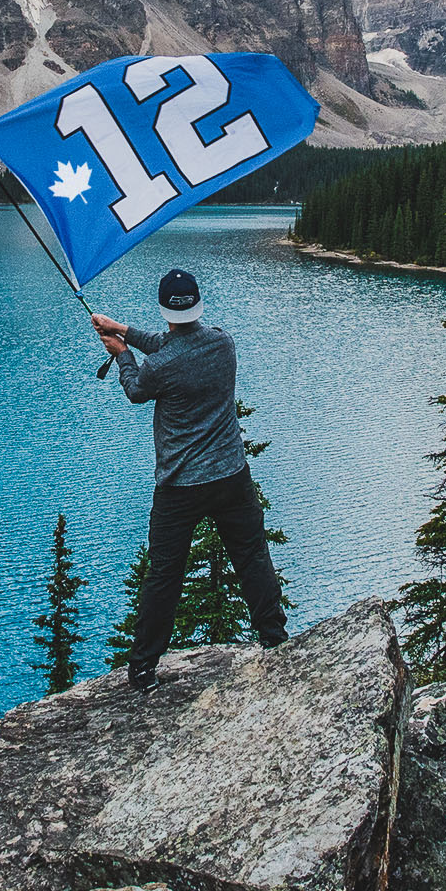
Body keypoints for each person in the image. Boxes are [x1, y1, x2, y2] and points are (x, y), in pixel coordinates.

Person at [92, 267, 288, 691]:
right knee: (252, 556)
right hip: (231, 477)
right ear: (199, 305)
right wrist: (120, 330)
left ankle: (143, 669)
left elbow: (136, 388)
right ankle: (275, 638)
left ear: (164, 309)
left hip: (179, 487)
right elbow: (173, 344)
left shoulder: (159, 367)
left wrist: (122, 352)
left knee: (164, 574)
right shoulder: (223, 344)